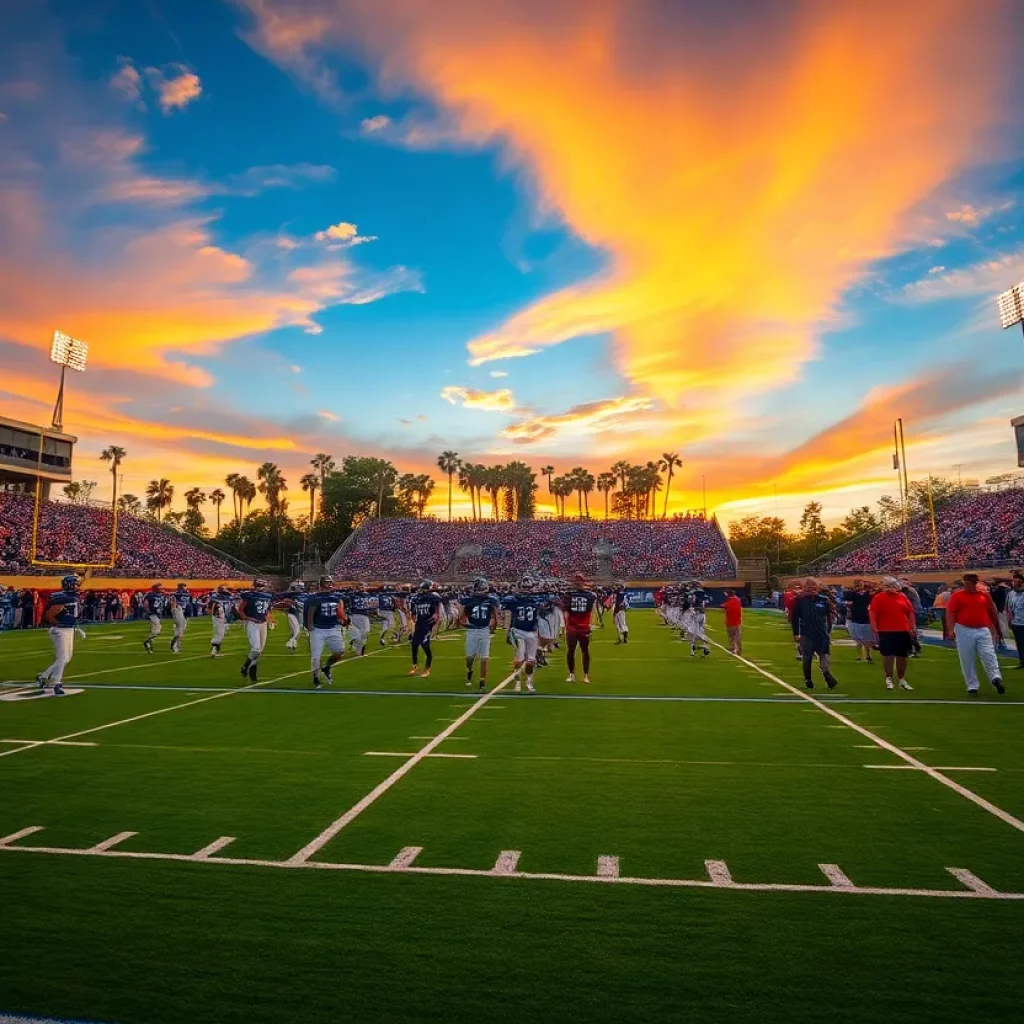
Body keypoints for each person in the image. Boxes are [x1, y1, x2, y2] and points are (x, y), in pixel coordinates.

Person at [946, 573, 1005, 696]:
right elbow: (951, 613)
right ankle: (972, 685)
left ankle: (995, 678)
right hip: (964, 629)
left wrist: (995, 630)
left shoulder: (984, 596)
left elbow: (991, 613)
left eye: (974, 582)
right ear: (965, 582)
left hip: (983, 629)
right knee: (967, 658)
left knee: (989, 654)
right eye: (970, 582)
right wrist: (951, 630)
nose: (972, 584)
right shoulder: (957, 596)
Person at [35, 574, 85, 695]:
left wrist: (75, 627)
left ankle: (44, 676)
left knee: (66, 658)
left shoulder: (72, 598)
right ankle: (56, 683)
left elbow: (70, 615)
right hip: (61, 630)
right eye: (76, 584)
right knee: (62, 658)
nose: (78, 587)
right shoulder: (62, 597)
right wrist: (58, 626)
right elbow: (49, 615)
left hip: (68, 629)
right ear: (70, 585)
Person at [868, 577, 916, 691]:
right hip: (886, 630)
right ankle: (888, 678)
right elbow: (873, 612)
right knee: (888, 655)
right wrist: (874, 626)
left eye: (893, 585)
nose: (892, 588)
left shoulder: (902, 597)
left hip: (903, 630)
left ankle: (902, 679)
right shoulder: (879, 597)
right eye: (889, 585)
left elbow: (910, 612)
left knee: (902, 656)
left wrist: (912, 626)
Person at [790, 577, 838, 690]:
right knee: (807, 657)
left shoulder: (824, 600)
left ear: (817, 587)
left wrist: (829, 629)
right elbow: (794, 618)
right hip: (807, 633)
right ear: (804, 588)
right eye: (808, 586)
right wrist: (796, 633)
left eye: (813, 586)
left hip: (821, 632)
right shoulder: (800, 601)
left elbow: (829, 616)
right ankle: (808, 679)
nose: (810, 588)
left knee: (824, 655)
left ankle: (827, 675)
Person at [305, 575, 348, 689]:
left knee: (340, 651)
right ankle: (315, 678)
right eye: (326, 582)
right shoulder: (316, 598)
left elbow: (341, 611)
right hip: (318, 629)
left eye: (330, 582)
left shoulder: (337, 597)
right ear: (321, 583)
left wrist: (344, 620)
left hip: (333, 628)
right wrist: (309, 626)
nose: (328, 584)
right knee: (315, 656)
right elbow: (311, 611)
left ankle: (327, 666)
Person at [459, 576, 500, 690]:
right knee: (470, 657)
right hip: (472, 630)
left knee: (484, 657)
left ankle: (482, 680)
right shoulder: (469, 600)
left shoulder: (491, 600)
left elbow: (494, 616)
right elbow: (462, 617)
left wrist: (493, 624)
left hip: (484, 630)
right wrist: (464, 623)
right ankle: (470, 670)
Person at [235, 579, 274, 683]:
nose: (260, 588)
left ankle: (253, 673)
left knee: (260, 651)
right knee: (256, 649)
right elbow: (240, 609)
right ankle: (245, 666)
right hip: (252, 623)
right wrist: (246, 618)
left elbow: (267, 610)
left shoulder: (268, 596)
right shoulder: (249, 595)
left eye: (261, 586)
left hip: (263, 623)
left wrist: (270, 620)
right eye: (259, 586)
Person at [562, 573, 597, 684]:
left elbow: (591, 609)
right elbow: (566, 611)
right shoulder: (569, 595)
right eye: (576, 581)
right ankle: (571, 674)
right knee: (571, 650)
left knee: (585, 650)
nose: (578, 583)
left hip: (583, 626)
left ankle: (586, 674)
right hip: (572, 626)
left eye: (580, 580)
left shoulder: (589, 595)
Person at [507, 577, 540, 693]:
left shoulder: (535, 600)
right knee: (519, 659)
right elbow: (508, 614)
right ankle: (517, 682)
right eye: (524, 587)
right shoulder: (514, 600)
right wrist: (508, 630)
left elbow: (538, 618)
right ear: (519, 588)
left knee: (531, 660)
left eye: (528, 587)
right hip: (518, 631)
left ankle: (529, 681)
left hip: (531, 632)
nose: (526, 590)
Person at [408, 580, 440, 677]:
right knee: (414, 646)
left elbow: (436, 614)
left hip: (426, 625)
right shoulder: (417, 599)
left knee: (426, 648)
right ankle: (414, 666)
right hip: (419, 625)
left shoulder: (433, 598)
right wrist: (415, 620)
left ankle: (427, 669)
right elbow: (413, 613)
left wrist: (431, 624)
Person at [845, 579, 876, 663]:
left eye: (861, 584)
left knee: (867, 639)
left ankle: (868, 655)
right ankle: (859, 655)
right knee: (858, 639)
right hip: (856, 617)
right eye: (858, 584)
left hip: (866, 617)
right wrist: (853, 590)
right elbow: (847, 598)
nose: (860, 586)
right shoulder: (852, 593)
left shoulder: (868, 593)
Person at [347, 584, 376, 657]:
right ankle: (358, 648)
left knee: (365, 632)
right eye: (360, 587)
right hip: (354, 615)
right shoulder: (352, 595)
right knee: (356, 632)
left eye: (362, 587)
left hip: (364, 615)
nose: (361, 588)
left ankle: (356, 645)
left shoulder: (367, 595)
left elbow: (371, 605)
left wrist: (372, 612)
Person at [206, 585, 233, 658]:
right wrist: (216, 613)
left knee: (221, 635)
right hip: (219, 618)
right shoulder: (215, 599)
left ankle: (215, 651)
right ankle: (214, 652)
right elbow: (208, 610)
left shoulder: (224, 598)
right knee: (219, 635)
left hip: (222, 619)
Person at [142, 583, 167, 654]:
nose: (162, 589)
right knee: (157, 629)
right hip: (152, 613)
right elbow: (146, 603)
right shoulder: (150, 595)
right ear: (156, 589)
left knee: (155, 629)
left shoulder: (161, 595)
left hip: (158, 613)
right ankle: (147, 641)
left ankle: (149, 644)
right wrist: (147, 611)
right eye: (160, 588)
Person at [282, 581, 307, 652]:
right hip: (292, 614)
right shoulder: (290, 595)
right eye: (300, 587)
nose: (302, 588)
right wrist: (290, 602)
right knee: (297, 630)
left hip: (300, 613)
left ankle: (293, 646)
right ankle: (290, 643)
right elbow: (285, 601)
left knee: (295, 631)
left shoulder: (304, 595)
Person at [1006, 574, 1024, 670]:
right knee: (1020, 643)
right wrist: (1009, 620)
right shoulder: (1011, 593)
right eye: (1014, 581)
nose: (1015, 583)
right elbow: (1009, 608)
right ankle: (1022, 661)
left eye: (1017, 581)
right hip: (1016, 623)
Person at [169, 583, 190, 654]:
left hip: (183, 613)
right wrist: (174, 610)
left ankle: (177, 645)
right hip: (178, 611)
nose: (186, 588)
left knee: (181, 632)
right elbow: (172, 601)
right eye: (185, 587)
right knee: (179, 630)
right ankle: (174, 646)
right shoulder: (176, 594)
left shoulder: (186, 593)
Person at [722, 589, 743, 655]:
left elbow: (724, 606)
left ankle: (733, 648)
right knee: (738, 636)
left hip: (730, 622)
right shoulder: (738, 600)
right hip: (738, 621)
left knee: (731, 636)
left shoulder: (730, 600)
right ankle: (739, 649)